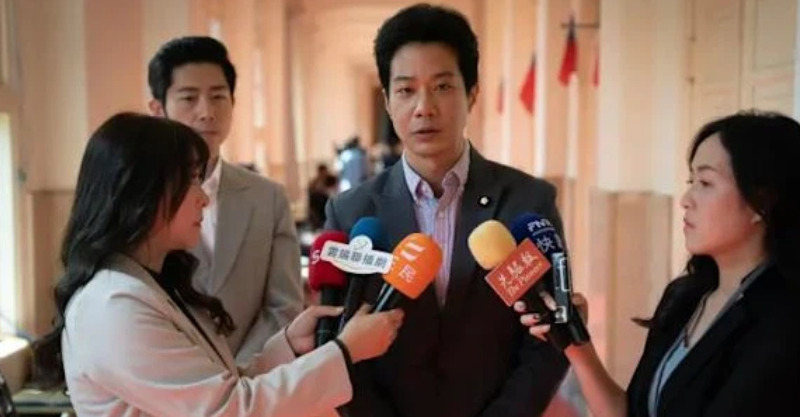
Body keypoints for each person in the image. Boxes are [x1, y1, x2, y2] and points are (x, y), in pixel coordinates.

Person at [33, 113, 404, 417]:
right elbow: (227, 410)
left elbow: (217, 389)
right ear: (143, 193)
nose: (203, 198)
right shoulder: (113, 305)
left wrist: (288, 346)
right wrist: (345, 351)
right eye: (191, 181)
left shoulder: (147, 285)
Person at [324, 4, 568, 417]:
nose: (424, 107)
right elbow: (336, 344)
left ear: (472, 93)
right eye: (406, 90)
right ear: (387, 102)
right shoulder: (351, 213)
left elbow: (547, 340)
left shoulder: (528, 201)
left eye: (442, 86)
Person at [519, 111, 800, 417]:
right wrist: (573, 341)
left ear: (761, 202)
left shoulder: (783, 320)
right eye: (691, 181)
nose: (686, 199)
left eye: (706, 182)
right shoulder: (685, 296)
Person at [147, 36, 303, 366]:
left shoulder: (268, 198)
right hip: (167, 379)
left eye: (218, 96)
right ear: (158, 109)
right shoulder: (140, 199)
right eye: (189, 98)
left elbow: (284, 305)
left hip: (255, 379)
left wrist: (239, 374)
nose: (207, 112)